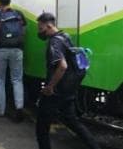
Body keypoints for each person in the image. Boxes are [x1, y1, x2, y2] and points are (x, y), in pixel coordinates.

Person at [35, 12, 100, 149]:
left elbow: (62, 66)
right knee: (72, 122)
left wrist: (50, 87)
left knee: (42, 126)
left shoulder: (54, 42)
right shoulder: (65, 36)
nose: (40, 32)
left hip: (56, 91)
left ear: (49, 26)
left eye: (41, 29)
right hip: (68, 89)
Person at [0, 0, 26, 121]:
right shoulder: (19, 15)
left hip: (1, 51)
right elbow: (23, 32)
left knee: (0, 80)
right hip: (17, 50)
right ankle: (19, 107)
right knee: (17, 80)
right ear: (10, 1)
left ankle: (0, 110)